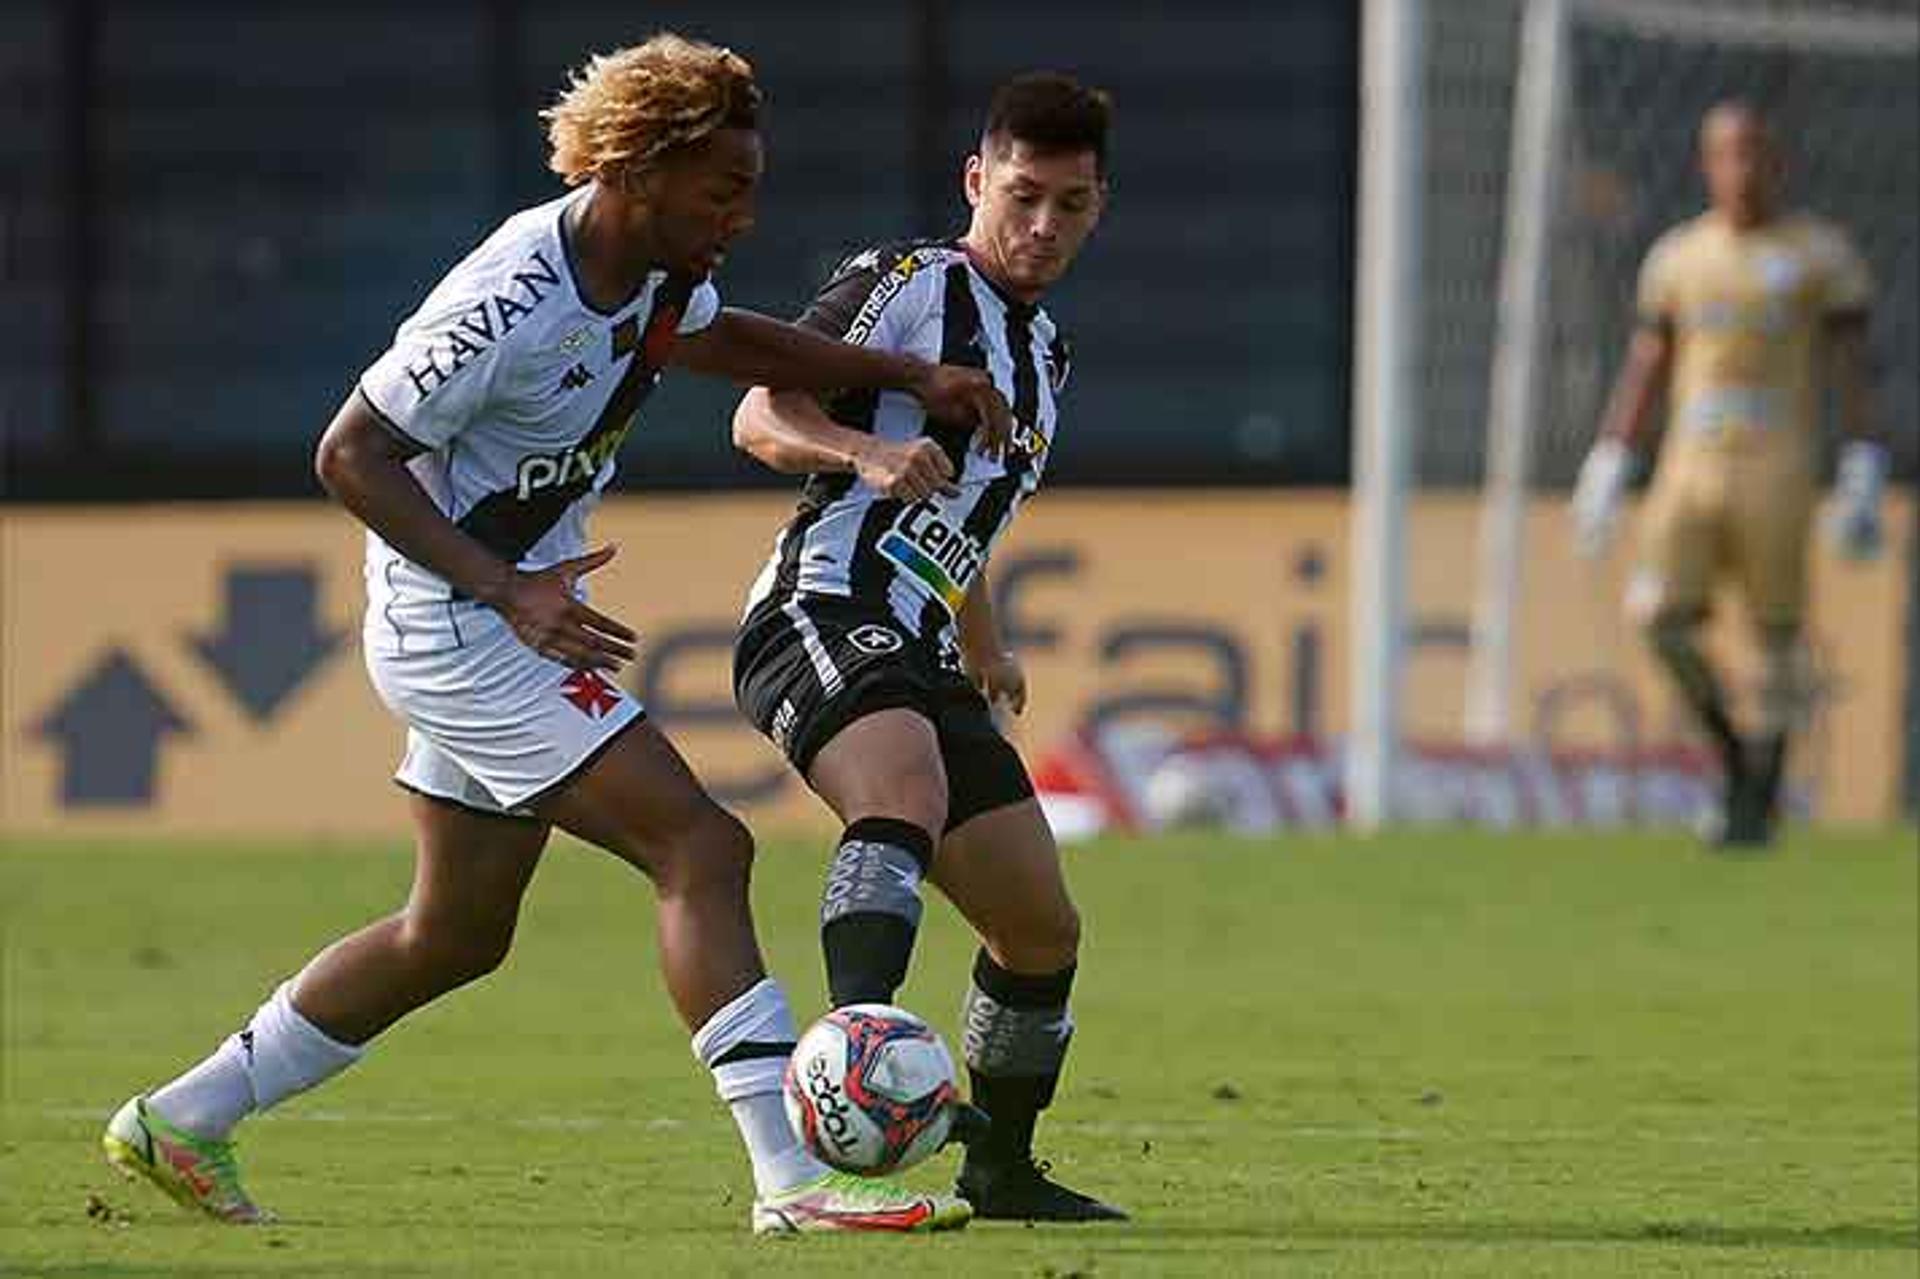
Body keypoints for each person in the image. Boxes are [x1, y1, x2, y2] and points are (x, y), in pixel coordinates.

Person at [99, 34, 1012, 1236]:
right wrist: (508, 589)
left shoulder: (653, 265)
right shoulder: (514, 294)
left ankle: (182, 1116)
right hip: (463, 623)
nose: (742, 212)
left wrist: (897, 373)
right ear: (639, 170)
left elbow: (719, 339)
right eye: (723, 187)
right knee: (702, 846)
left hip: (503, 610)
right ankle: (795, 1181)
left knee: (456, 931)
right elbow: (350, 456)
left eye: (751, 184)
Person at [730, 72, 1125, 1221]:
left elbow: (969, 519)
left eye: (1072, 205)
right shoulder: (908, 285)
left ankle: (998, 1170)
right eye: (1023, 195)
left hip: (920, 644)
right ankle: (849, 1073)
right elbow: (758, 411)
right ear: (976, 182)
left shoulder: (1044, 357)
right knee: (897, 783)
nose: (1043, 226)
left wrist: (984, 637)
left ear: (1100, 208)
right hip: (814, 609)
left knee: (1040, 923)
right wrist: (861, 454)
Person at [1572, 99, 1885, 848]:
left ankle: (1758, 802)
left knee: (1777, 637)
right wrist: (1613, 455)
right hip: (1689, 464)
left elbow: (1850, 370)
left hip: (1777, 463)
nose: (1741, 169)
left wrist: (1863, 460)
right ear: (1706, 165)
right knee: (1659, 619)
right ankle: (1739, 763)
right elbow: (1650, 361)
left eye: (1754, 153)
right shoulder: (1678, 258)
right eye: (1726, 154)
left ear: (1775, 162)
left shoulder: (1819, 256)